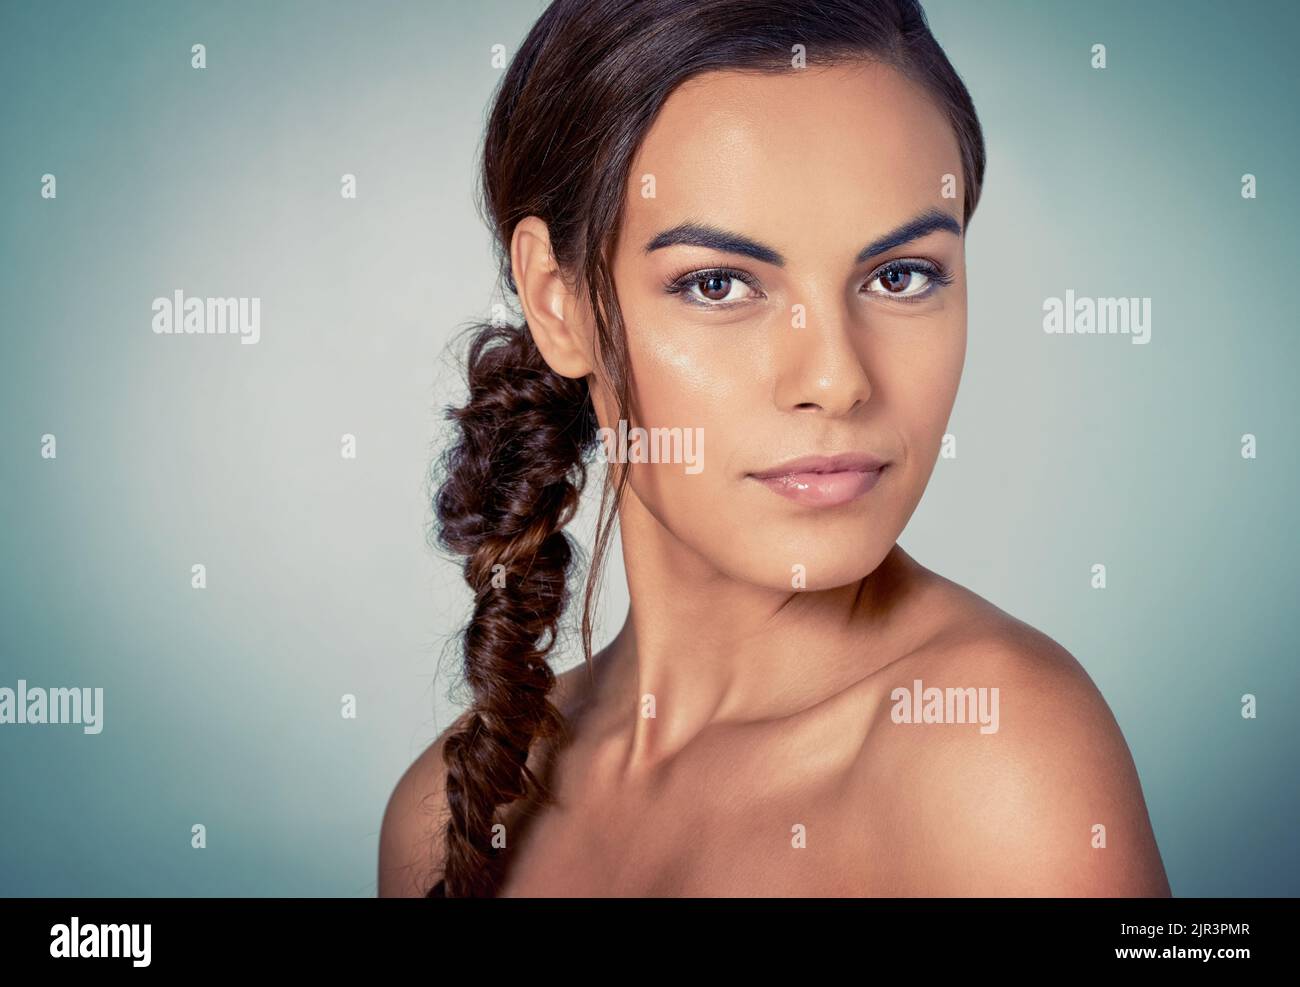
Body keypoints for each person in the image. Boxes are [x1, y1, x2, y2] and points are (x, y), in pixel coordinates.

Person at [379, 0, 1172, 898]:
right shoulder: (441, 818)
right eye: (720, 285)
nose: (837, 379)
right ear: (561, 303)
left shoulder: (1000, 754)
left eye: (900, 276)